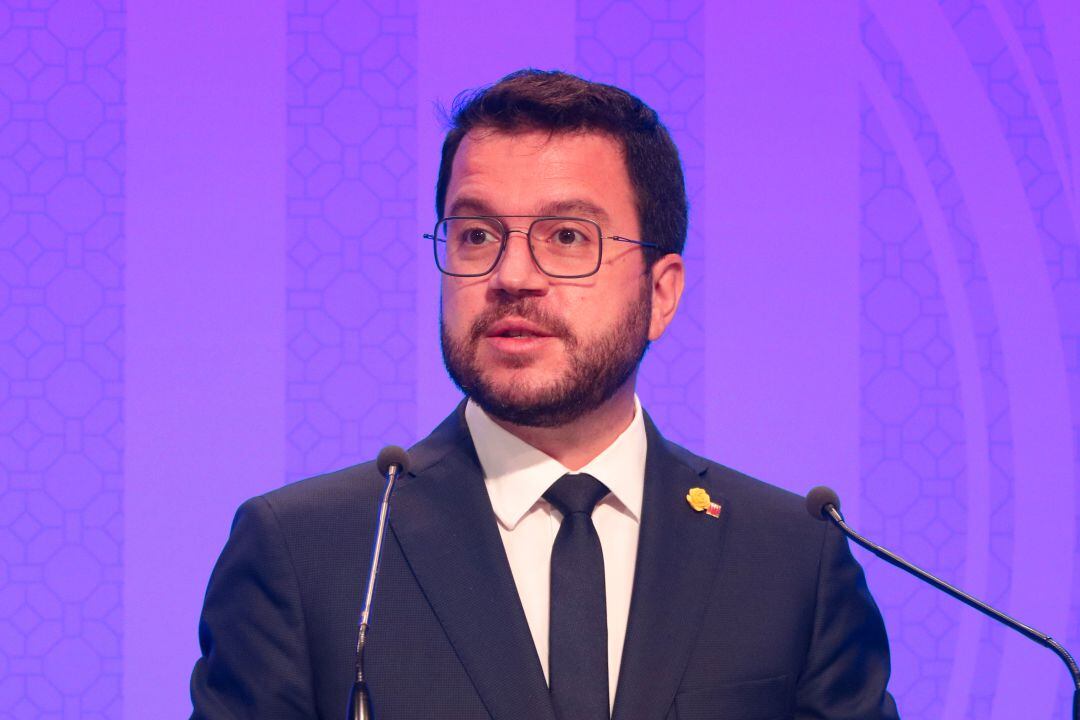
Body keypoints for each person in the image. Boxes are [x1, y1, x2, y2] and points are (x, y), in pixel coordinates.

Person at [190, 69, 900, 720]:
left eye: (566, 236)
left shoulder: (790, 560)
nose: (511, 275)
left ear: (662, 292)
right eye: (476, 235)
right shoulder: (311, 553)